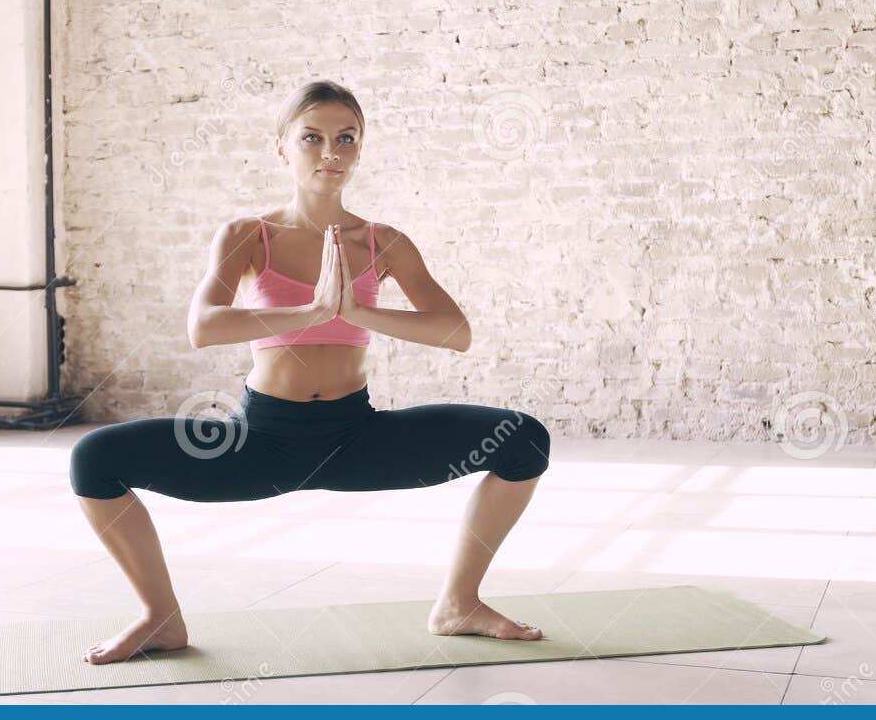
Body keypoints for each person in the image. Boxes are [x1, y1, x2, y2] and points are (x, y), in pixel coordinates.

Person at [69, 79, 552, 665]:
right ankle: (161, 620)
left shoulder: (384, 242)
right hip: (263, 441)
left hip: (357, 437)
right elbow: (203, 327)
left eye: (346, 138)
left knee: (524, 440)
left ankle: (459, 605)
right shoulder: (248, 236)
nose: (331, 153)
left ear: (359, 148)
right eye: (313, 138)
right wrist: (310, 311)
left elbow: (456, 333)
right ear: (282, 147)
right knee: (94, 459)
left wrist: (357, 310)